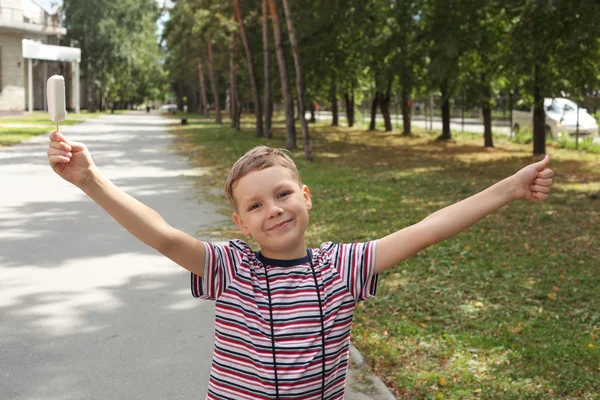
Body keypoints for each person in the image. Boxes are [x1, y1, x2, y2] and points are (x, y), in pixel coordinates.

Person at [46, 132, 554, 400]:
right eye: (256, 205)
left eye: (283, 194)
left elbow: (428, 229)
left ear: (305, 197)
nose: (274, 210)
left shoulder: (342, 267)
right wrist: (91, 180)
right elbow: (162, 234)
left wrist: (509, 187)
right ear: (241, 222)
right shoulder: (230, 267)